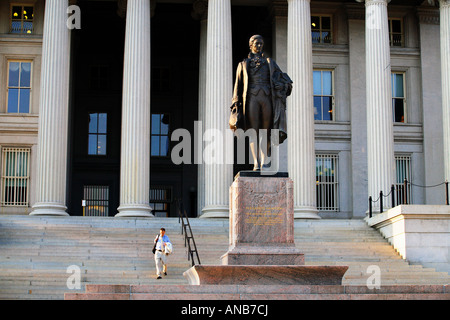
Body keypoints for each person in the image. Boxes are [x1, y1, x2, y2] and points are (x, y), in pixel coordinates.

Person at [231, 35, 292, 171]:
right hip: (251, 98)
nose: (259, 46)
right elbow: (237, 85)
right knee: (253, 131)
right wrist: (235, 102)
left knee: (266, 130)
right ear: (251, 45)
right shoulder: (243, 64)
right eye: (257, 43)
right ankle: (256, 162)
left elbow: (284, 80)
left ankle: (264, 160)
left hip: (267, 97)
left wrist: (282, 86)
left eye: (261, 44)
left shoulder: (270, 62)